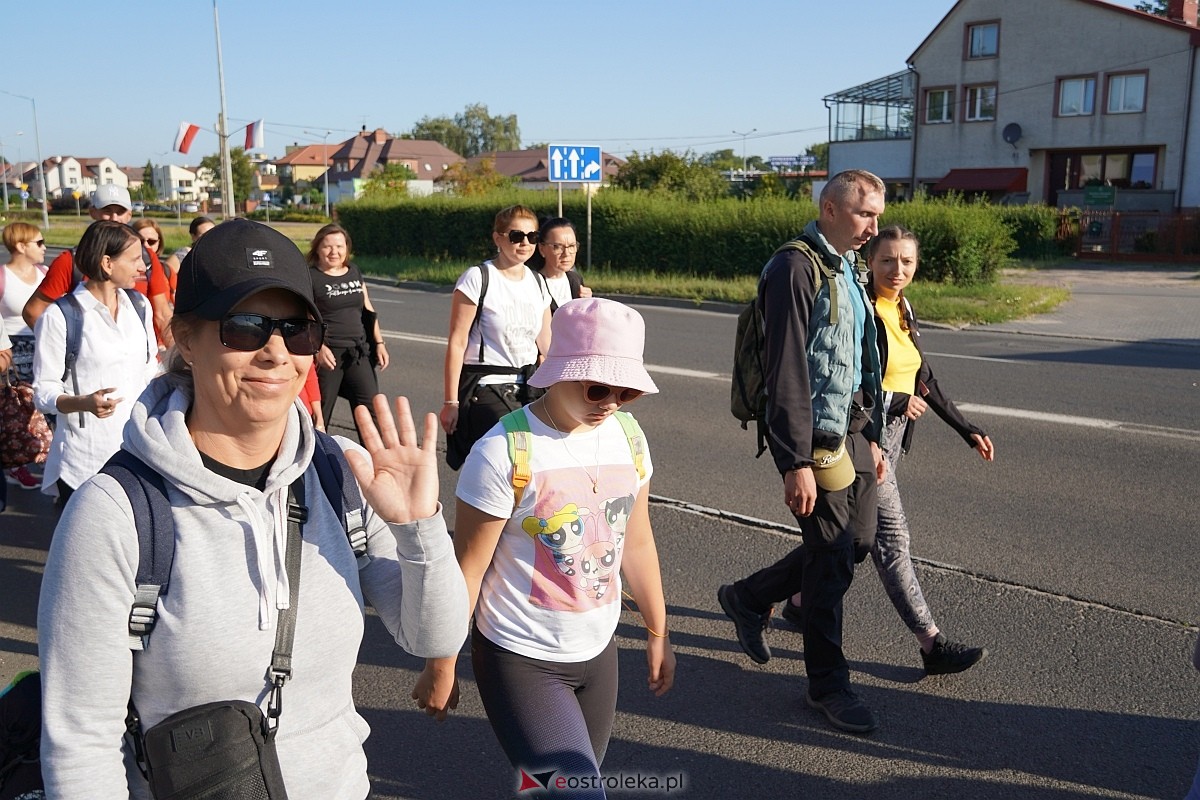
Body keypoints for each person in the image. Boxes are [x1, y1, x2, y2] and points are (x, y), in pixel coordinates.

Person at [37, 218, 469, 799]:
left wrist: (420, 527)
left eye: (297, 330)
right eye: (245, 327)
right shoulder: (114, 513)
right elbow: (81, 746)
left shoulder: (339, 473)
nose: (275, 353)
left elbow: (431, 634)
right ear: (184, 340)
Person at [448, 297, 673, 797]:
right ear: (558, 373)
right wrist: (441, 662)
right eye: (597, 387)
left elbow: (636, 540)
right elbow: (467, 571)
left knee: (553, 788)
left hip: (598, 652)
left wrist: (658, 629)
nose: (611, 401)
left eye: (627, 391)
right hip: (521, 656)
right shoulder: (503, 452)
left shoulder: (629, 439)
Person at [778, 225, 992, 675]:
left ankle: (784, 600)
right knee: (891, 544)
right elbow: (852, 379)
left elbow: (922, 376)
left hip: (889, 443)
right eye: (888, 261)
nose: (898, 270)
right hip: (865, 439)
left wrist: (966, 429)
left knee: (854, 543)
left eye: (907, 262)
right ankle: (931, 644)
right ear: (870, 263)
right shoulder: (865, 310)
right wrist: (894, 405)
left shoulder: (902, 308)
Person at [718, 169, 887, 735]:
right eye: (865, 214)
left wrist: (874, 434)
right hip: (814, 439)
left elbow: (859, 355)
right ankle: (827, 685)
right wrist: (793, 461)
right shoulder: (795, 266)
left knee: (858, 541)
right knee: (832, 556)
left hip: (853, 429)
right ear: (831, 209)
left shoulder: (849, 266)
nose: (874, 226)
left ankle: (749, 596)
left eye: (878, 215)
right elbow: (785, 367)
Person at [31, 220, 160, 506]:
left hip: (138, 457)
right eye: (135, 258)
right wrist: (84, 402)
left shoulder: (139, 307)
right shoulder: (61, 316)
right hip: (84, 464)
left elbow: (150, 369)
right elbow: (43, 393)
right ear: (107, 263)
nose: (143, 267)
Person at [441, 204, 552, 470]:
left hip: (529, 385)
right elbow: (457, 342)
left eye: (532, 237)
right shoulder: (478, 278)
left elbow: (546, 345)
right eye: (516, 236)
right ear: (498, 238)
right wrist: (450, 402)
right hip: (486, 383)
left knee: (536, 463)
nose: (525, 243)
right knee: (508, 459)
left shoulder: (537, 282)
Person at [22, 184, 173, 346]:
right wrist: (64, 350)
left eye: (120, 212)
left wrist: (179, 361)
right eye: (107, 211)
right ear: (93, 212)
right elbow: (34, 311)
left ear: (129, 215)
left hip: (140, 362)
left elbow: (162, 314)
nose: (114, 218)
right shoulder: (70, 261)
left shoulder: (146, 258)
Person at [307, 223, 389, 434]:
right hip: (328, 355)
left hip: (357, 352)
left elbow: (368, 309)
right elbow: (304, 317)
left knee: (371, 413)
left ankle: (376, 461)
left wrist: (379, 342)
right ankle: (313, 460)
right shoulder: (311, 277)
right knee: (320, 414)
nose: (334, 252)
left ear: (347, 248)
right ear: (317, 248)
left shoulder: (354, 272)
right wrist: (318, 348)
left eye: (340, 246)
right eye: (327, 246)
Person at [1, 222, 48, 489]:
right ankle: (15, 463)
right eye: (39, 243)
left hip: (42, 343)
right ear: (21, 246)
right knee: (15, 409)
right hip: (12, 349)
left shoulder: (45, 272)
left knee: (42, 404)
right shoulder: (3, 276)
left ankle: (46, 456)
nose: (44, 247)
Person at [530, 216, 592, 312]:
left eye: (572, 246)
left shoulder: (575, 280)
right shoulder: (532, 283)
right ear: (542, 248)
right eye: (557, 247)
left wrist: (588, 303)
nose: (566, 254)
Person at [131, 218, 173, 302]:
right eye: (141, 241)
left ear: (159, 243)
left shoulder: (167, 270)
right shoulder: (125, 272)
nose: (146, 246)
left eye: (151, 242)